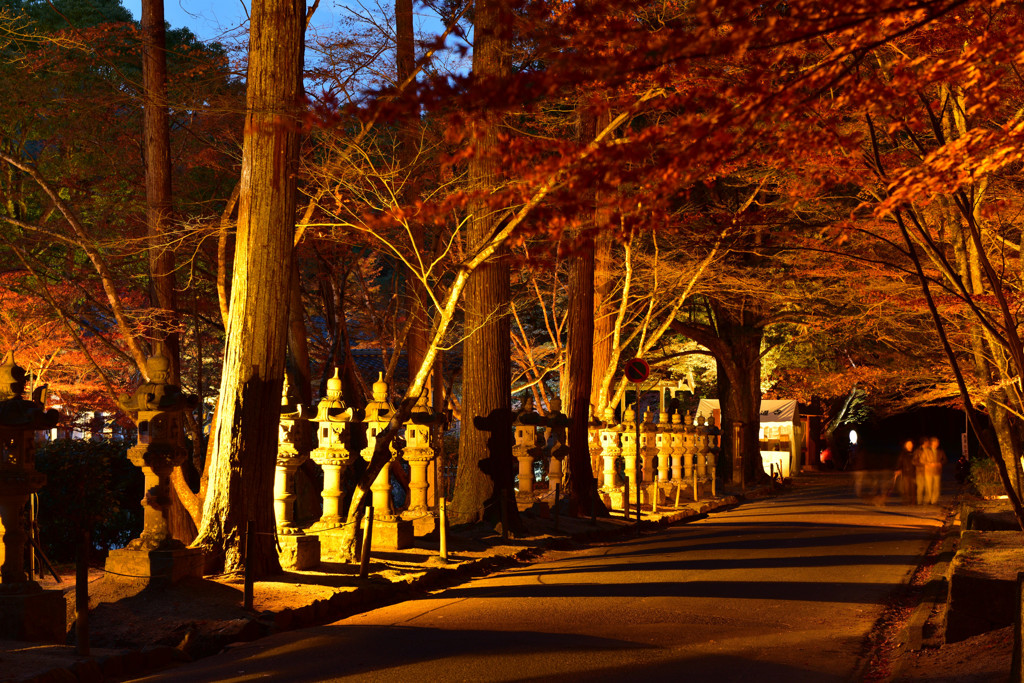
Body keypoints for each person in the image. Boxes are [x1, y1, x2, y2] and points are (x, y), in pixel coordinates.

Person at [920, 436, 946, 504]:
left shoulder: (940, 451)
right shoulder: (927, 451)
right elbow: (921, 460)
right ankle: (928, 500)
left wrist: (940, 463)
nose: (937, 443)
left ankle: (934, 500)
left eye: (938, 442)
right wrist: (928, 463)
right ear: (932, 443)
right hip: (928, 471)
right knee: (929, 487)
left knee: (936, 487)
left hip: (937, 471)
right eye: (936, 442)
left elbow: (945, 460)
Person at [897, 439, 917, 504]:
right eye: (908, 444)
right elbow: (900, 462)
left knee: (913, 488)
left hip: (914, 473)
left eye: (911, 444)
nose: (910, 446)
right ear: (905, 445)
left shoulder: (914, 453)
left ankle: (913, 501)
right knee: (906, 488)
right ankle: (906, 501)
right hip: (905, 473)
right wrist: (898, 469)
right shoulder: (903, 453)